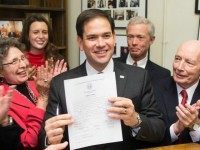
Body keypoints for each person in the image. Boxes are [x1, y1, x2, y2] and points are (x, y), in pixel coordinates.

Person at [40, 9, 165, 150]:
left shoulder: (138, 77)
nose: (101, 44)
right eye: (92, 37)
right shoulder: (61, 83)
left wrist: (135, 120)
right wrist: (49, 138)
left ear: (114, 38)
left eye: (106, 36)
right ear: (80, 42)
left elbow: (158, 130)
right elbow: (45, 136)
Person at [0, 37, 67, 149]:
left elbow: (55, 113)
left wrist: (56, 86)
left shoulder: (34, 83)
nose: (23, 65)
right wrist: (43, 98)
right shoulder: (3, 99)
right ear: (1, 72)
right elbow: (29, 143)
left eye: (23, 58)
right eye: (14, 61)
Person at [154, 40, 200, 145]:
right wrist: (176, 128)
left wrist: (195, 125)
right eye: (177, 59)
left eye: (189, 63)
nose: (179, 67)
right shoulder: (154, 88)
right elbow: (148, 136)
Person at [117, 16, 170, 86]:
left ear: (151, 40)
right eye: (130, 37)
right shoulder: (112, 65)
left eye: (140, 37)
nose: (134, 42)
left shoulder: (162, 75)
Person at [20, 14, 66, 78]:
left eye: (44, 32)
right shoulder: (17, 60)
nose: (41, 36)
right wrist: (22, 78)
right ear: (27, 35)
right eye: (35, 32)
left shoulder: (59, 60)